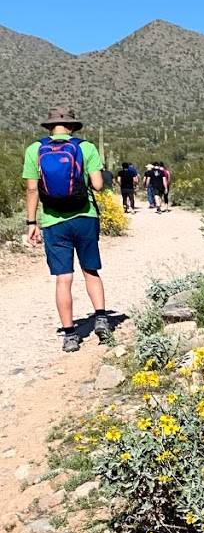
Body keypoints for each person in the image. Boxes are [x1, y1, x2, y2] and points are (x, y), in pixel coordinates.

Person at [22, 106, 113, 353]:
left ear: (49, 127)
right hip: (85, 216)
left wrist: (32, 223)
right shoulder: (86, 148)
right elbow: (97, 186)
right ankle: (102, 319)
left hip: (53, 221)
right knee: (90, 270)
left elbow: (32, 190)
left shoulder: (34, 150)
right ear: (72, 126)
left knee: (63, 278)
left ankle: (70, 335)